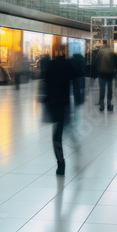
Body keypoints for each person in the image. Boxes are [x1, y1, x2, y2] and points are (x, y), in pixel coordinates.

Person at [44, 47, 77, 175]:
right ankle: (75, 152)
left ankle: (60, 163)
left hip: (53, 104)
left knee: (56, 135)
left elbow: (45, 84)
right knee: (67, 131)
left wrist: (46, 101)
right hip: (65, 104)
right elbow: (75, 81)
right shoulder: (68, 65)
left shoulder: (51, 65)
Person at [95, 46, 116, 112]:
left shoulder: (100, 54)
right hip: (110, 74)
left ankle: (102, 105)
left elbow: (96, 63)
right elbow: (116, 63)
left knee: (102, 89)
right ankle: (109, 104)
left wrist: (95, 73)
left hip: (102, 74)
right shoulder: (112, 54)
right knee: (109, 89)